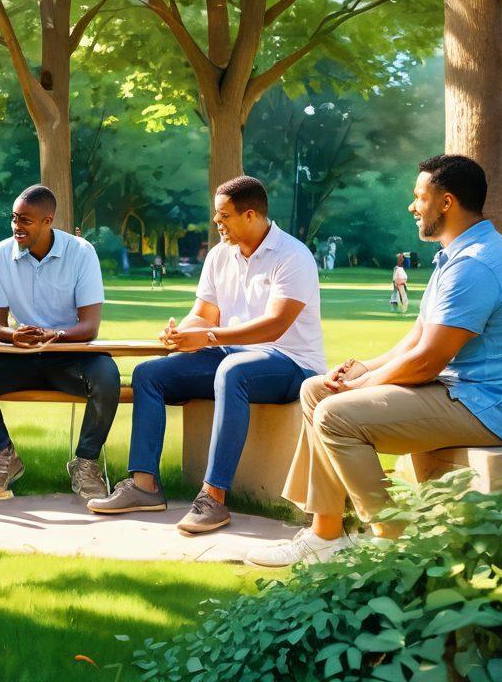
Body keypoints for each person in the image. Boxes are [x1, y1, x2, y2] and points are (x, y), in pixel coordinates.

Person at [246, 155, 502, 567]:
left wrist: (361, 388)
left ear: (446, 202)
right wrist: (364, 368)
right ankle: (325, 535)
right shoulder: (457, 255)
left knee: (335, 415)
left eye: (418, 196)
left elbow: (427, 361)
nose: (412, 205)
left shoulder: (475, 265)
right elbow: (419, 337)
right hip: (459, 390)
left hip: (487, 406)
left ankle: (392, 542)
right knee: (315, 389)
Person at [87, 177, 325, 534]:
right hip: (231, 356)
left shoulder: (293, 256)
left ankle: (213, 499)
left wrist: (209, 337)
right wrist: (181, 332)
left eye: (223, 216)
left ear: (250, 215)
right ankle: (144, 486)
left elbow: (273, 327)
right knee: (149, 374)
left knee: (232, 370)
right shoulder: (219, 256)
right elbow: (204, 313)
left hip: (291, 362)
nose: (217, 223)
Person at [0, 185, 119, 501]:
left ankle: (85, 463)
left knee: (107, 374)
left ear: (48, 221)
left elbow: (90, 326)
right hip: (21, 355)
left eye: (26, 221)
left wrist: (55, 336)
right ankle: (6, 455)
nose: (17, 227)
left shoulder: (81, 252)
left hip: (68, 355)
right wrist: (13, 335)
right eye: (14, 219)